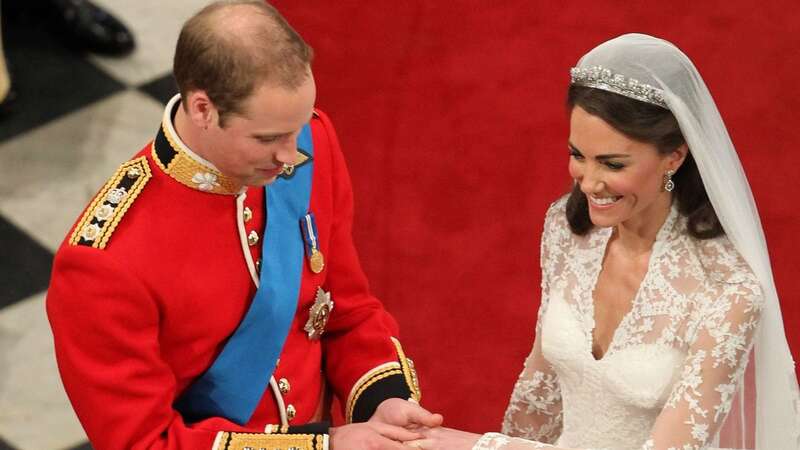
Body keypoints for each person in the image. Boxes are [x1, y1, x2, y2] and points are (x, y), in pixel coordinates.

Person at [46, 1, 441, 449]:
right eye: (268, 138)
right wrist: (324, 445)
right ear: (202, 109)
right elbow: (145, 443)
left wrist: (381, 401)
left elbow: (346, 310)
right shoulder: (103, 263)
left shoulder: (310, 143)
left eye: (294, 131)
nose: (291, 156)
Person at [407, 34, 800, 450]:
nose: (590, 183)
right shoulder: (566, 229)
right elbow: (540, 396)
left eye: (613, 164)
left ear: (675, 156)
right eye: (578, 155)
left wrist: (476, 447)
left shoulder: (729, 292)